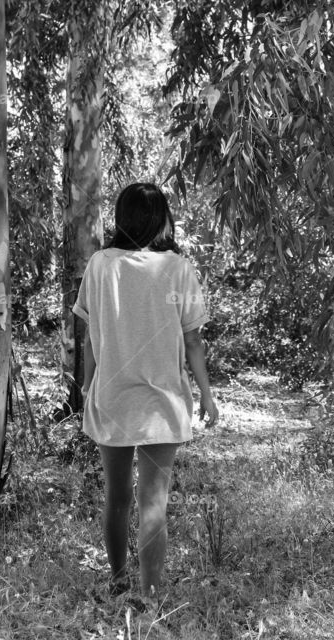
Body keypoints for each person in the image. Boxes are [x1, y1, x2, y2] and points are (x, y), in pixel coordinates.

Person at [72, 182, 219, 600]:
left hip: (112, 396)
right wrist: (207, 395)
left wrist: (88, 386)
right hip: (162, 402)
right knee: (153, 502)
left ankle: (118, 582)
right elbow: (193, 340)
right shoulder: (178, 268)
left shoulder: (100, 264)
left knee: (117, 497)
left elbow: (89, 338)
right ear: (160, 220)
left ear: (122, 218)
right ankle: (151, 596)